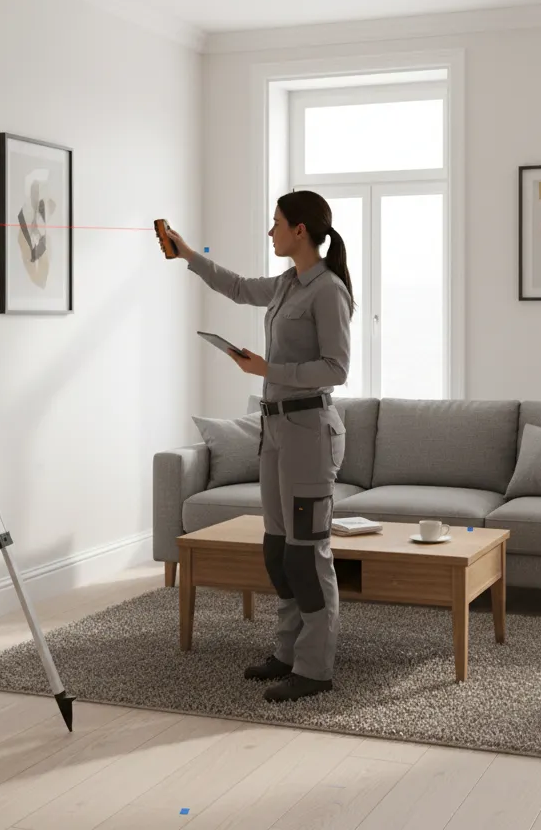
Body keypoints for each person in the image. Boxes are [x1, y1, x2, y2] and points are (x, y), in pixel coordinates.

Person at [166, 191, 354, 702]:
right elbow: (237, 286)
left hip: (310, 434)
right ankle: (288, 652)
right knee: (278, 551)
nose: (270, 232)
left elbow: (336, 369)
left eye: (276, 224)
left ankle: (316, 669)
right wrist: (186, 254)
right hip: (274, 433)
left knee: (307, 554)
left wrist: (268, 370)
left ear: (300, 230)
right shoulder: (287, 284)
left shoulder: (328, 291)